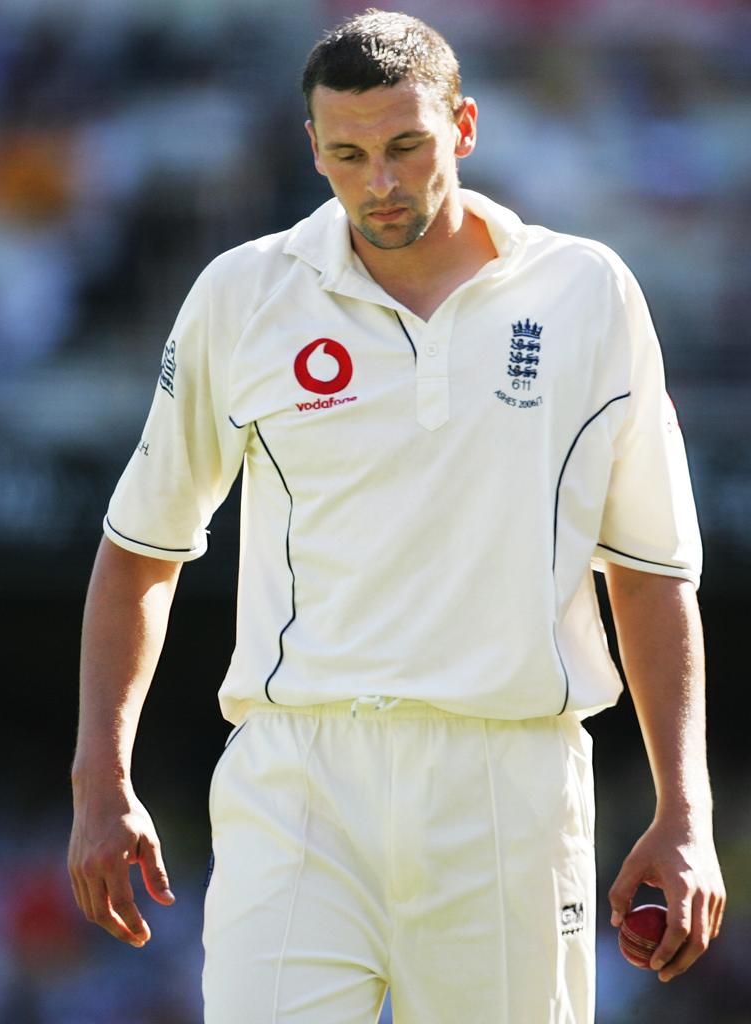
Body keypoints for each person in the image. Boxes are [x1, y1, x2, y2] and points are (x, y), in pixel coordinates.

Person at [68, 9, 725, 1023]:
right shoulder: (242, 295)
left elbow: (647, 569)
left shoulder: (587, 291)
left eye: (407, 146)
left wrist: (687, 810)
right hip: (298, 782)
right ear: (314, 150)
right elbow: (140, 550)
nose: (380, 180)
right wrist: (99, 780)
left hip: (510, 783)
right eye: (350, 153)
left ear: (463, 127)